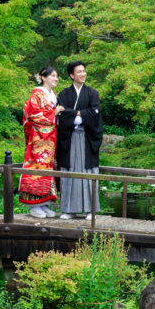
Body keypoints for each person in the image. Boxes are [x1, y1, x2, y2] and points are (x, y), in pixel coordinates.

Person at [55, 61, 103, 219]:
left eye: (84, 71)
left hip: (87, 139)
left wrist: (73, 113)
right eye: (79, 72)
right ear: (72, 75)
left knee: (88, 172)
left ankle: (91, 209)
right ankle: (69, 210)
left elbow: (95, 113)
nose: (83, 74)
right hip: (69, 139)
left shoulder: (92, 93)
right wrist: (82, 113)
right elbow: (60, 114)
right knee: (69, 172)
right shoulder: (63, 94)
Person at [19, 66, 65, 218]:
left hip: (50, 139)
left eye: (57, 76)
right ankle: (34, 206)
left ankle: (44, 204)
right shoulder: (37, 95)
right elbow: (34, 116)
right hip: (38, 139)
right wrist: (54, 112)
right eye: (52, 76)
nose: (56, 79)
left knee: (48, 169)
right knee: (37, 169)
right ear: (43, 77)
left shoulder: (52, 95)